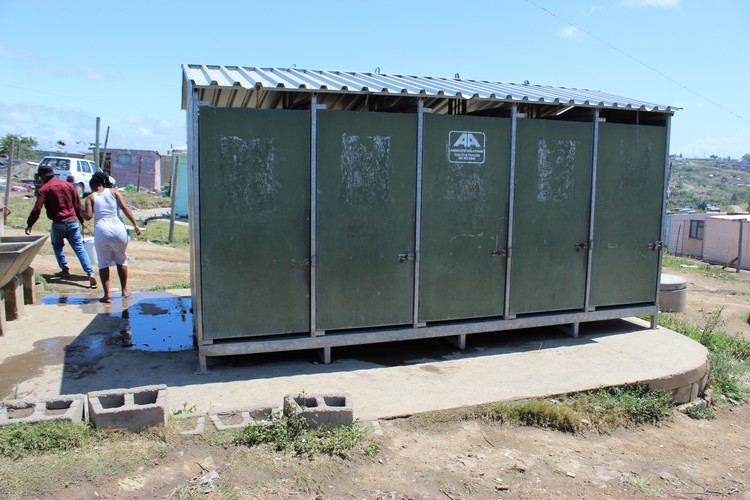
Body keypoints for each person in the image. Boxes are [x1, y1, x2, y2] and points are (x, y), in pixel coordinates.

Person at [26, 165, 97, 288]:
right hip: (72, 222)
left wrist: (30, 224)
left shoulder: (44, 189)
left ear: (42, 176)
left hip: (58, 223)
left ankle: (65, 270)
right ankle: (90, 272)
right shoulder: (68, 185)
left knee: (58, 247)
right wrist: (81, 221)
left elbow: (37, 208)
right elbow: (77, 205)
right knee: (79, 248)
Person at [82, 171, 142, 303]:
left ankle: (107, 295)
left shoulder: (91, 197)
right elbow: (125, 208)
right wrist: (136, 225)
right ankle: (125, 289)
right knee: (122, 260)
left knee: (103, 263)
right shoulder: (114, 192)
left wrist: (78, 210)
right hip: (119, 228)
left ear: (93, 185)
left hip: (102, 230)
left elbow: (88, 216)